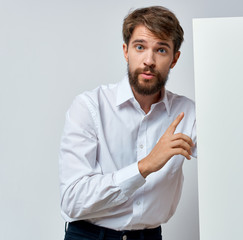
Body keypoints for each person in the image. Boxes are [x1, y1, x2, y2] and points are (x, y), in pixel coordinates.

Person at [58, 6, 197, 240]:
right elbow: (72, 200)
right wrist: (145, 166)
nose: (149, 60)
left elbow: (229, 157)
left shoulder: (188, 113)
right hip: (89, 236)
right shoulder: (90, 107)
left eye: (161, 50)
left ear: (174, 59)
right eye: (140, 47)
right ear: (126, 51)